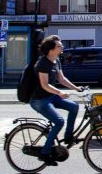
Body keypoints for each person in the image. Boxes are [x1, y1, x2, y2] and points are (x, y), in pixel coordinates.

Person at [30, 35, 83, 166]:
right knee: (59, 121)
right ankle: (44, 153)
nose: (62, 47)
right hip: (40, 100)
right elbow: (44, 84)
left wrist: (76, 88)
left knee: (74, 107)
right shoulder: (43, 63)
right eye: (59, 46)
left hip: (51, 96)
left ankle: (68, 136)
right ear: (51, 49)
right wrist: (59, 92)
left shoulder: (56, 60)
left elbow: (61, 79)